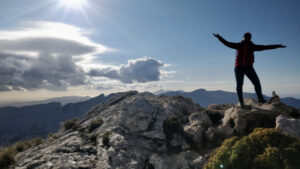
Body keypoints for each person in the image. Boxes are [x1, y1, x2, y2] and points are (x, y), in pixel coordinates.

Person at [213, 32, 286, 109]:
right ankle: (242, 103)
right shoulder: (239, 45)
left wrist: (277, 46)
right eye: (246, 37)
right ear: (243, 37)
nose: (247, 38)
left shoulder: (252, 46)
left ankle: (260, 100)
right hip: (239, 68)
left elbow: (265, 47)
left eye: (249, 37)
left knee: (256, 83)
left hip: (248, 68)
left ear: (250, 38)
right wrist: (219, 37)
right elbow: (227, 43)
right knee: (240, 85)